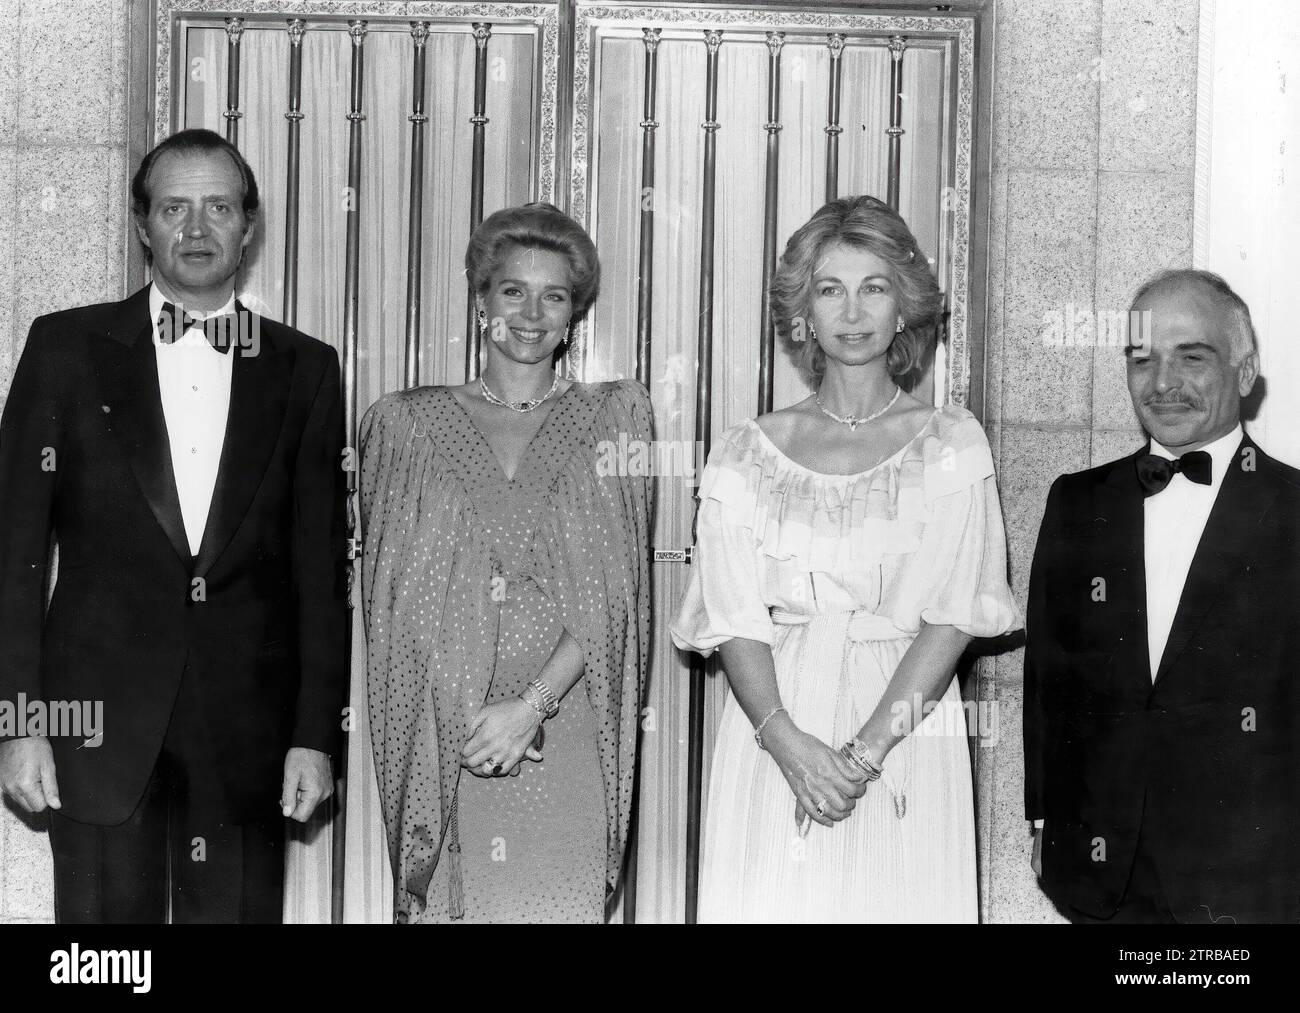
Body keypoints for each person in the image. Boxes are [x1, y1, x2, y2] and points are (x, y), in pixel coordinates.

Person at [0, 128, 348, 923]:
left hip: (248, 736)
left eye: (219, 207)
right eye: (174, 208)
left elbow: (320, 573)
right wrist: (18, 725)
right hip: (90, 727)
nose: (197, 229)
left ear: (249, 227)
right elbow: (14, 555)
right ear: (142, 225)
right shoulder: (65, 349)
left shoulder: (305, 368)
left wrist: (314, 736)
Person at [670, 195, 1019, 922]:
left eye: (875, 286)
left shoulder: (952, 441)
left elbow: (952, 618)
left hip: (904, 725)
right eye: (831, 289)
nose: (853, 311)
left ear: (905, 308)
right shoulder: (745, 449)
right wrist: (789, 744)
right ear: (804, 311)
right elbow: (734, 615)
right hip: (773, 722)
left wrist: (861, 756)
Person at [359, 202, 652, 923]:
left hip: (567, 724)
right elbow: (392, 604)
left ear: (574, 311)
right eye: (512, 290)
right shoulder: (402, 423)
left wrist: (530, 709)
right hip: (448, 734)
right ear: (481, 297)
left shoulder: (620, 416)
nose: (531, 312)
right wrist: (467, 716)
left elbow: (620, 592)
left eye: (553, 295)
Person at [1024, 268, 1300, 924]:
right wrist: (1041, 817)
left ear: (1244, 369)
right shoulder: (1077, 501)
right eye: (1142, 359)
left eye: (1192, 357)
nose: (1163, 383)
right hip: (1103, 875)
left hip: (1255, 881)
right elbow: (1047, 682)